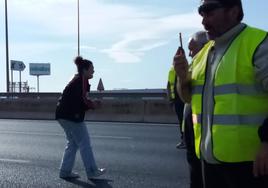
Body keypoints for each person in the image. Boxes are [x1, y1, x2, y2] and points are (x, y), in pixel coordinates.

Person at [174, 0, 268, 187]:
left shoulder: (258, 44)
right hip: (210, 161)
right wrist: (183, 77)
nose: (204, 21)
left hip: (250, 164)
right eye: (201, 14)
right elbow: (188, 99)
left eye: (209, 13)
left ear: (233, 11)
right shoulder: (203, 54)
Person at [56, 56, 106, 180]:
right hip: (71, 116)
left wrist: (91, 104)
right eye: (92, 69)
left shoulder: (76, 79)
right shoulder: (81, 80)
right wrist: (94, 105)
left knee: (73, 143)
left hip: (62, 115)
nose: (93, 71)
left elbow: (79, 99)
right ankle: (92, 171)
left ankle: (65, 171)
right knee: (84, 142)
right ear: (84, 70)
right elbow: (82, 100)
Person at [183, 31, 208, 188]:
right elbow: (187, 98)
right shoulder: (193, 66)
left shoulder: (212, 66)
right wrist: (181, 76)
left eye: (192, 49)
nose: (190, 54)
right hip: (193, 133)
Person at [167, 65, 185, 149]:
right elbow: (169, 86)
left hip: (186, 101)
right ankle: (184, 140)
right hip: (178, 100)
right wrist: (171, 99)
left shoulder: (187, 67)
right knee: (182, 121)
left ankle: (186, 140)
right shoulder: (172, 71)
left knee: (188, 121)